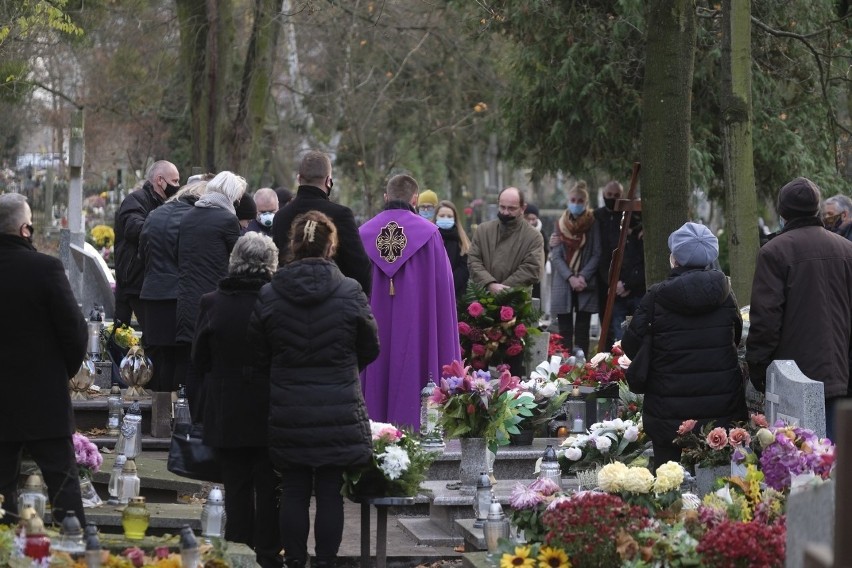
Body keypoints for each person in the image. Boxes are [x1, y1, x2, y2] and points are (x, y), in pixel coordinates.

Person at [248, 211, 379, 568]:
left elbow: (257, 354)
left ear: (292, 246)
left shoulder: (271, 294)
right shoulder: (350, 291)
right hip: (337, 406)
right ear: (331, 246)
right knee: (329, 491)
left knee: (293, 489)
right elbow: (370, 346)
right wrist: (343, 369)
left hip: (289, 406)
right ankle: (325, 562)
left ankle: (294, 562)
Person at [623, 222, 746, 469]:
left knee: (669, 485)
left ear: (675, 258)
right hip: (720, 408)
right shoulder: (725, 295)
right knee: (717, 486)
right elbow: (735, 338)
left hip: (668, 410)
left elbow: (630, 345)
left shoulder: (657, 296)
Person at [193, 232, 282, 568]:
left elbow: (199, 358)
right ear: (271, 264)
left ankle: (237, 550)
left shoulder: (212, 302)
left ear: (235, 260)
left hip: (227, 405)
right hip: (269, 404)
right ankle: (269, 554)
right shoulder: (276, 301)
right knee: (269, 483)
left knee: (236, 484)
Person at [0, 193, 88, 524]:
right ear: (25, 229)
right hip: (43, 398)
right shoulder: (45, 268)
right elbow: (75, 332)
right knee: (63, 486)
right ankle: (74, 547)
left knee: (0, 494)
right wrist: (60, 372)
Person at [747, 177, 852, 441]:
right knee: (835, 458)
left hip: (795, 375)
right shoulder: (846, 249)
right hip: (841, 368)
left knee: (802, 460)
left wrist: (758, 367)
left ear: (783, 212)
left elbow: (766, 318)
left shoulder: (774, 252)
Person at [359, 175, 461, 429]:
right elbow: (443, 291)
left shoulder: (363, 234)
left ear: (386, 197)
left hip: (374, 323)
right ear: (415, 199)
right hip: (416, 327)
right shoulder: (430, 234)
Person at [176, 171, 246, 409]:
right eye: (237, 199)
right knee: (215, 364)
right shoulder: (227, 220)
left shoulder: (188, 217)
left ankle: (190, 421)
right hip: (216, 302)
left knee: (193, 364)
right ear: (230, 196)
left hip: (186, 301)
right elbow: (240, 260)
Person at [139, 181, 208, 393]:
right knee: (182, 357)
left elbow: (143, 253)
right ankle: (177, 415)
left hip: (153, 292)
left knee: (160, 356)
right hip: (179, 293)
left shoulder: (155, 214)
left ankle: (158, 415)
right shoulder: (194, 218)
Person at [272, 151, 371, 295]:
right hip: (334, 302)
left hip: (288, 300)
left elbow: (277, 265)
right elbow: (360, 269)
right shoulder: (341, 215)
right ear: (328, 181)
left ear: (299, 179)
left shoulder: (281, 216)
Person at [114, 160, 180, 326]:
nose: (178, 186)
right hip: (135, 281)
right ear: (160, 180)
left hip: (151, 281)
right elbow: (133, 229)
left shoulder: (168, 204)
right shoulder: (136, 200)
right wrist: (164, 228)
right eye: (175, 181)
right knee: (132, 334)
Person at [550, 181, 601, 355]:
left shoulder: (593, 224)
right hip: (564, 281)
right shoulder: (560, 224)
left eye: (580, 201)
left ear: (586, 203)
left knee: (582, 327)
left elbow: (597, 253)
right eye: (573, 200)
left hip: (585, 281)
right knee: (563, 327)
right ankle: (564, 362)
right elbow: (555, 255)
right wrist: (570, 277)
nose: (576, 203)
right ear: (568, 201)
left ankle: (581, 363)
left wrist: (582, 277)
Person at [468, 186, 544, 294]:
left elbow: (532, 268)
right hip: (484, 297)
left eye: (511, 208)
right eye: (502, 207)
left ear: (523, 208)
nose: (505, 212)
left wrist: (502, 289)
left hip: (516, 299)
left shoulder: (534, 236)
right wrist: (490, 284)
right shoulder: (483, 230)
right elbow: (473, 261)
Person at [594, 181, 624, 349]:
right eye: (609, 195)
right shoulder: (597, 216)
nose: (612, 199)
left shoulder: (628, 216)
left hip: (623, 278)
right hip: (601, 275)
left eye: (616, 196)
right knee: (604, 319)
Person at [609, 212, 645, 341]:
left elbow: (642, 267)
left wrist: (626, 284)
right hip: (620, 293)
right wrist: (616, 284)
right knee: (620, 336)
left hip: (636, 291)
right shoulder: (617, 239)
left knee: (638, 332)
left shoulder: (641, 240)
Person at [434, 199, 470, 298]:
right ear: (436, 217)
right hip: (433, 291)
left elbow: (464, 269)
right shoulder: (430, 239)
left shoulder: (462, 242)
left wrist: (448, 283)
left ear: (455, 219)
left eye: (449, 216)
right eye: (442, 216)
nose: (445, 218)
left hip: (456, 294)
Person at [524, 203, 550, 311]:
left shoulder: (542, 234)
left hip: (535, 275)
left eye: (533, 219)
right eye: (528, 219)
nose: (530, 222)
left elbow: (545, 253)